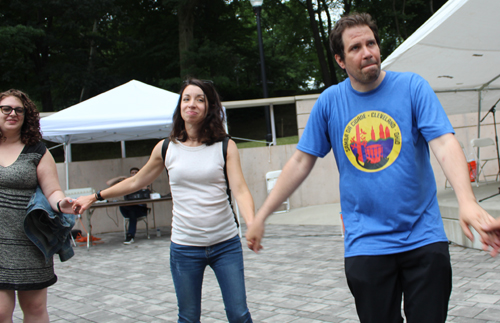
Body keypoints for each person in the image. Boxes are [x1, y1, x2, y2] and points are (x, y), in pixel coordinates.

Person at [246, 12, 500, 323]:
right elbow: (300, 161)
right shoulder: (330, 102)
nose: (367, 52)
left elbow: (444, 143)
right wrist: (262, 215)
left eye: (371, 43)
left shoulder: (412, 87)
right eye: (355, 48)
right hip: (366, 244)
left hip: (424, 238)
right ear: (340, 60)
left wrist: (467, 201)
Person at [74, 78, 255, 323]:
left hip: (225, 244)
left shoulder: (225, 146)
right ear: (180, 106)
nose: (192, 104)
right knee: (188, 318)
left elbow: (241, 190)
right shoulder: (166, 147)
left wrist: (252, 223)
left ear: (210, 107)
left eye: (200, 99)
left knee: (239, 315)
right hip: (185, 247)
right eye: (186, 98)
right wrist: (95, 197)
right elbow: (135, 182)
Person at [0, 89, 76, 322]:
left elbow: (52, 190)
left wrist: (61, 203)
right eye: (6, 109)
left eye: (19, 110)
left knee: (34, 308)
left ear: (26, 116)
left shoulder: (37, 150)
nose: (12, 113)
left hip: (30, 241)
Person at [107, 167, 150, 245]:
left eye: (136, 172)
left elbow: (147, 192)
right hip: (128, 209)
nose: (134, 174)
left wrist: (141, 183)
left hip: (140, 210)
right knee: (125, 207)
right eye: (132, 173)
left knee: (132, 213)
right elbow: (109, 183)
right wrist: (120, 178)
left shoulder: (143, 182)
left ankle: (130, 236)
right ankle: (130, 236)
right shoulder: (127, 183)